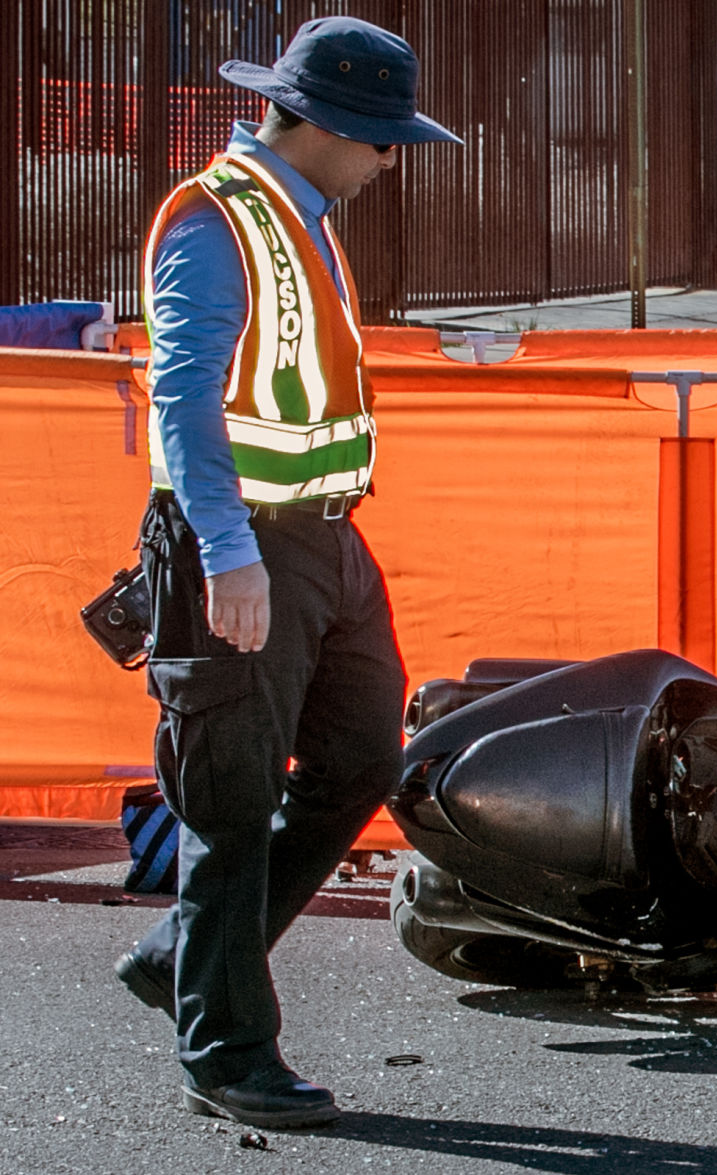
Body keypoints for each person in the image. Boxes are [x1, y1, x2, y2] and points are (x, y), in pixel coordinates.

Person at [113, 16, 460, 1130]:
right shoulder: (218, 220)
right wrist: (228, 554)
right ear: (314, 123)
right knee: (231, 797)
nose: (388, 158)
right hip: (247, 546)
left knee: (362, 755)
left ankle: (187, 954)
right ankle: (226, 1049)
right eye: (376, 136)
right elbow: (180, 398)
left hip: (324, 539)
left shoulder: (296, 213)